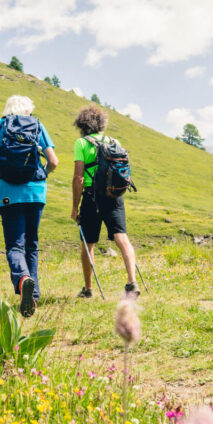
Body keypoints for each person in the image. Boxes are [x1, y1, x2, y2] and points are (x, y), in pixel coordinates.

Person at [0, 95, 57, 316]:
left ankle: (23, 280)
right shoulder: (38, 126)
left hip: (8, 194)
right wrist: (43, 174)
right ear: (28, 110)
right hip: (36, 193)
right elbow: (53, 161)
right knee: (31, 245)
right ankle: (32, 299)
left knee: (15, 245)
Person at [70, 104, 139, 298]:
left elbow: (78, 178)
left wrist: (75, 207)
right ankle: (132, 282)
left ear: (82, 124)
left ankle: (88, 289)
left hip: (92, 197)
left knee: (88, 243)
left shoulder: (82, 143)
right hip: (115, 195)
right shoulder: (113, 141)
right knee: (121, 236)